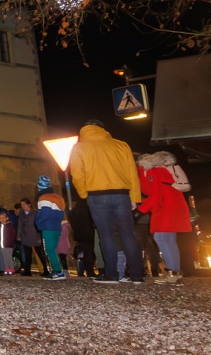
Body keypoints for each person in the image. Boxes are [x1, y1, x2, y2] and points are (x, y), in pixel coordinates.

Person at [69, 120, 144, 284]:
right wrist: (134, 197)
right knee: (128, 234)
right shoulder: (121, 145)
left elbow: (77, 174)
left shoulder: (79, 147)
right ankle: (138, 275)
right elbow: (132, 171)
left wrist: (84, 194)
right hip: (122, 194)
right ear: (103, 129)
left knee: (106, 235)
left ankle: (111, 274)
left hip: (97, 194)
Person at [137, 151, 192, 285]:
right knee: (169, 240)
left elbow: (155, 194)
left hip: (165, 208)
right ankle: (175, 273)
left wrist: (140, 210)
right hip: (172, 207)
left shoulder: (155, 171)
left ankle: (173, 273)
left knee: (161, 238)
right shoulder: (164, 170)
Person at [34, 175, 68, 280]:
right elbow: (61, 214)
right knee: (53, 249)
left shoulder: (43, 198)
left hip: (47, 227)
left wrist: (38, 223)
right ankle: (57, 270)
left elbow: (44, 213)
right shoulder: (58, 197)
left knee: (48, 249)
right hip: (57, 226)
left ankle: (57, 271)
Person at [15, 198, 48, 276]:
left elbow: (39, 224)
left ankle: (46, 270)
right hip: (25, 235)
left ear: (29, 204)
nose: (23, 206)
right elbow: (20, 224)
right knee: (27, 254)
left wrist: (40, 236)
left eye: (24, 204)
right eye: (22, 204)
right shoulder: (21, 213)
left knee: (39, 253)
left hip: (35, 235)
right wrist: (18, 235)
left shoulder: (35, 213)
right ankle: (27, 271)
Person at [68, 192, 97, 277]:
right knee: (90, 254)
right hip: (89, 235)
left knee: (82, 254)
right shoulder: (89, 210)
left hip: (79, 235)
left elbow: (73, 224)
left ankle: (81, 271)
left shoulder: (73, 212)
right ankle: (89, 271)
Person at [0, 210, 17, 275]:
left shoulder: (9, 225)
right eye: (0, 218)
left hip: (9, 245)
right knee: (4, 258)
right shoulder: (0, 226)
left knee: (9, 257)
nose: (2, 219)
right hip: (2, 245)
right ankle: (7, 269)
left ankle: (11, 269)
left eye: (3, 218)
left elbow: (12, 235)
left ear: (7, 218)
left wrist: (10, 243)